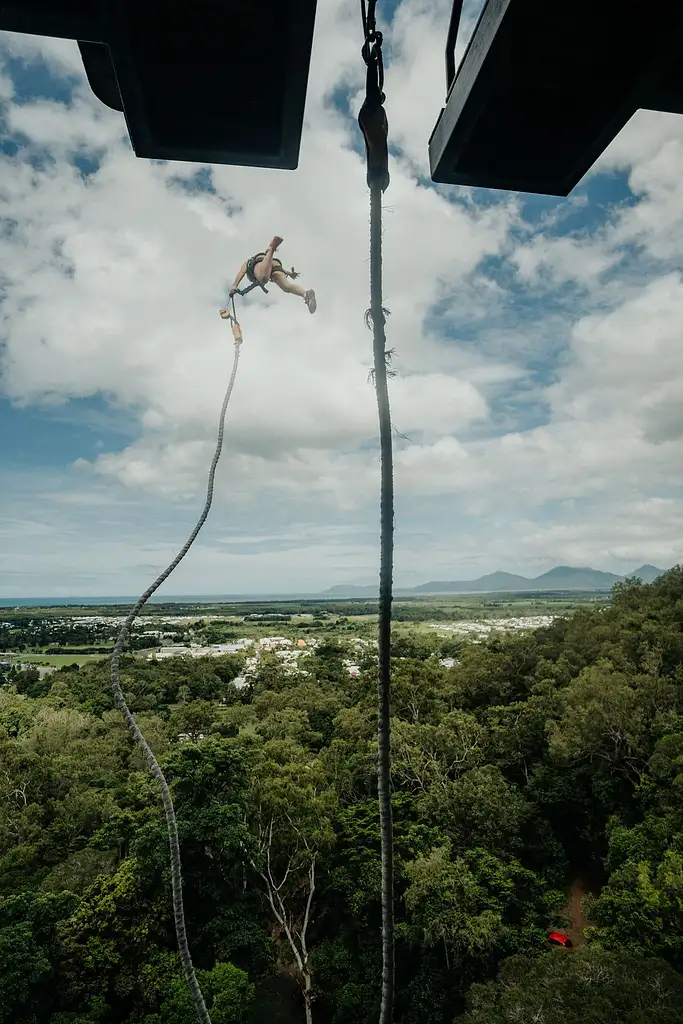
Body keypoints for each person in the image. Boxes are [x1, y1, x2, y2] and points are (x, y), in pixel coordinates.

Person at [220, 236, 316, 318]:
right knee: (286, 287)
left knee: (263, 279)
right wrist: (290, 274)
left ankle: (271, 249)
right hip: (275, 265)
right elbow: (280, 269)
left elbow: (241, 273)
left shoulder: (248, 264)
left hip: (261, 263)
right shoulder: (265, 267)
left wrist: (234, 286)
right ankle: (305, 294)